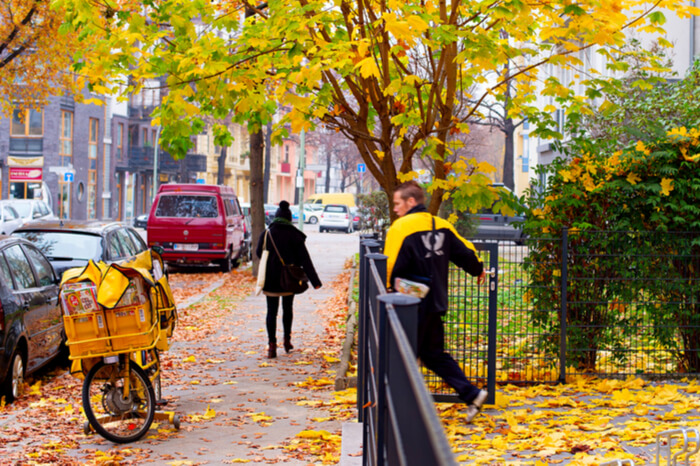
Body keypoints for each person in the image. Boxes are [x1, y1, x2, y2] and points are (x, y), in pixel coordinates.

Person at [384, 180, 488, 422]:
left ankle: (404, 410)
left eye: (398, 203)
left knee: (403, 353)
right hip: (434, 301)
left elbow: (388, 265)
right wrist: (478, 270)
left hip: (407, 303)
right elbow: (464, 252)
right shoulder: (440, 225)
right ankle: (471, 393)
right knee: (433, 354)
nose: (396, 208)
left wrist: (385, 290)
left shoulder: (400, 228)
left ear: (411, 202)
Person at [256, 201, 322, 358]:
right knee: (288, 309)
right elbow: (305, 259)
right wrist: (315, 281)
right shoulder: (294, 234)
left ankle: (271, 346)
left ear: (277, 217)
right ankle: (287, 340)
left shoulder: (267, 233)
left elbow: (259, 252)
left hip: (271, 278)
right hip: (289, 279)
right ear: (289, 218)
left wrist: (271, 262)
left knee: (271, 311)